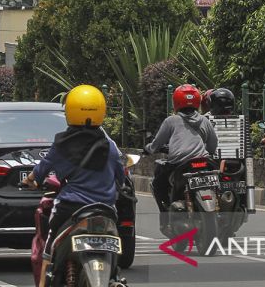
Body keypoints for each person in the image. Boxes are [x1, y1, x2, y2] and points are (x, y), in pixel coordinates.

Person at [22, 85, 125, 260]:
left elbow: (44, 166)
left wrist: (31, 179)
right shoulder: (110, 145)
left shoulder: (62, 143)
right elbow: (120, 175)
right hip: (105, 208)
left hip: (71, 206)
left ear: (69, 111)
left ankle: (46, 273)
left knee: (51, 239)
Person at [144, 84, 218, 211]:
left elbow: (157, 144)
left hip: (179, 164)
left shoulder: (171, 121)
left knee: (157, 183)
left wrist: (148, 148)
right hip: (204, 162)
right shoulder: (205, 121)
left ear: (176, 101)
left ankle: (166, 211)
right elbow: (213, 144)